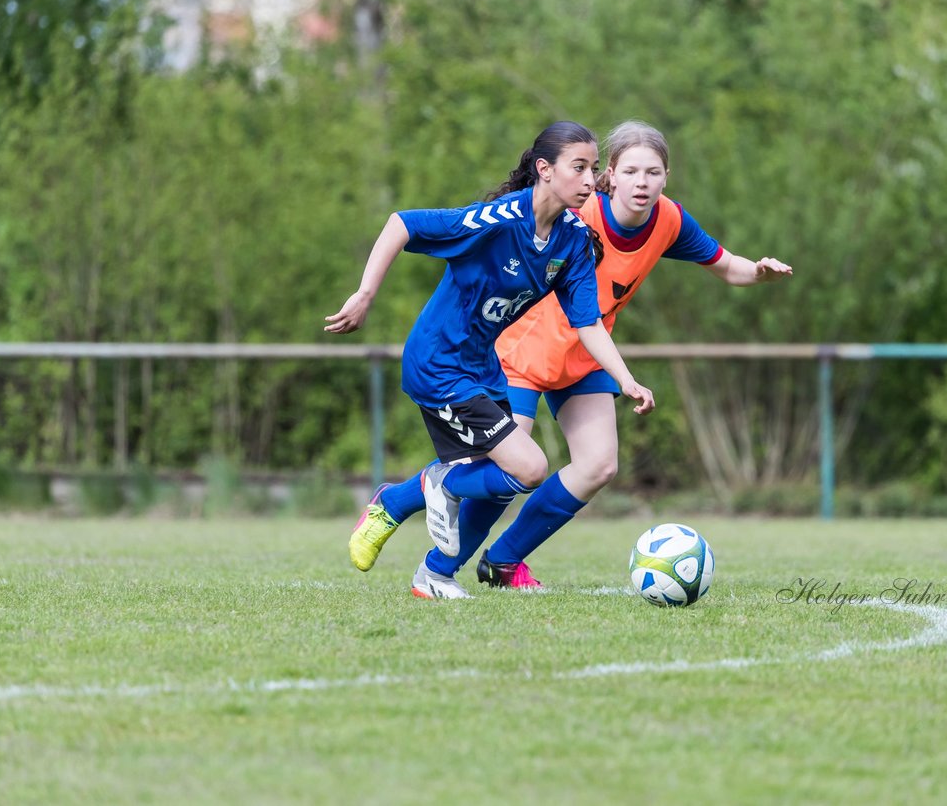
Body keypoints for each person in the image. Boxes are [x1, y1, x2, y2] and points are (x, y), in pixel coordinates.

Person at [349, 119, 792, 587]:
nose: (643, 183)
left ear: (666, 176)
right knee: (510, 471)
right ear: (612, 176)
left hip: (585, 358)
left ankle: (501, 563)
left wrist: (759, 271)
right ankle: (433, 564)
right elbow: (431, 228)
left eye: (654, 172)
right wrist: (365, 293)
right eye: (631, 171)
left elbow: (725, 267)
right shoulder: (573, 211)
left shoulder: (665, 221)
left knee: (598, 464)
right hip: (521, 354)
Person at [327, 121, 655, 599]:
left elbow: (588, 324)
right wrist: (364, 294)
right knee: (531, 467)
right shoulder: (497, 219)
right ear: (544, 170)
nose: (592, 181)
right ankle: (418, 491)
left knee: (501, 484)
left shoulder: (572, 242)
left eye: (594, 169)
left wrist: (626, 380)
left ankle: (432, 573)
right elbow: (403, 222)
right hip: (439, 364)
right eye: (579, 168)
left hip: (481, 369)